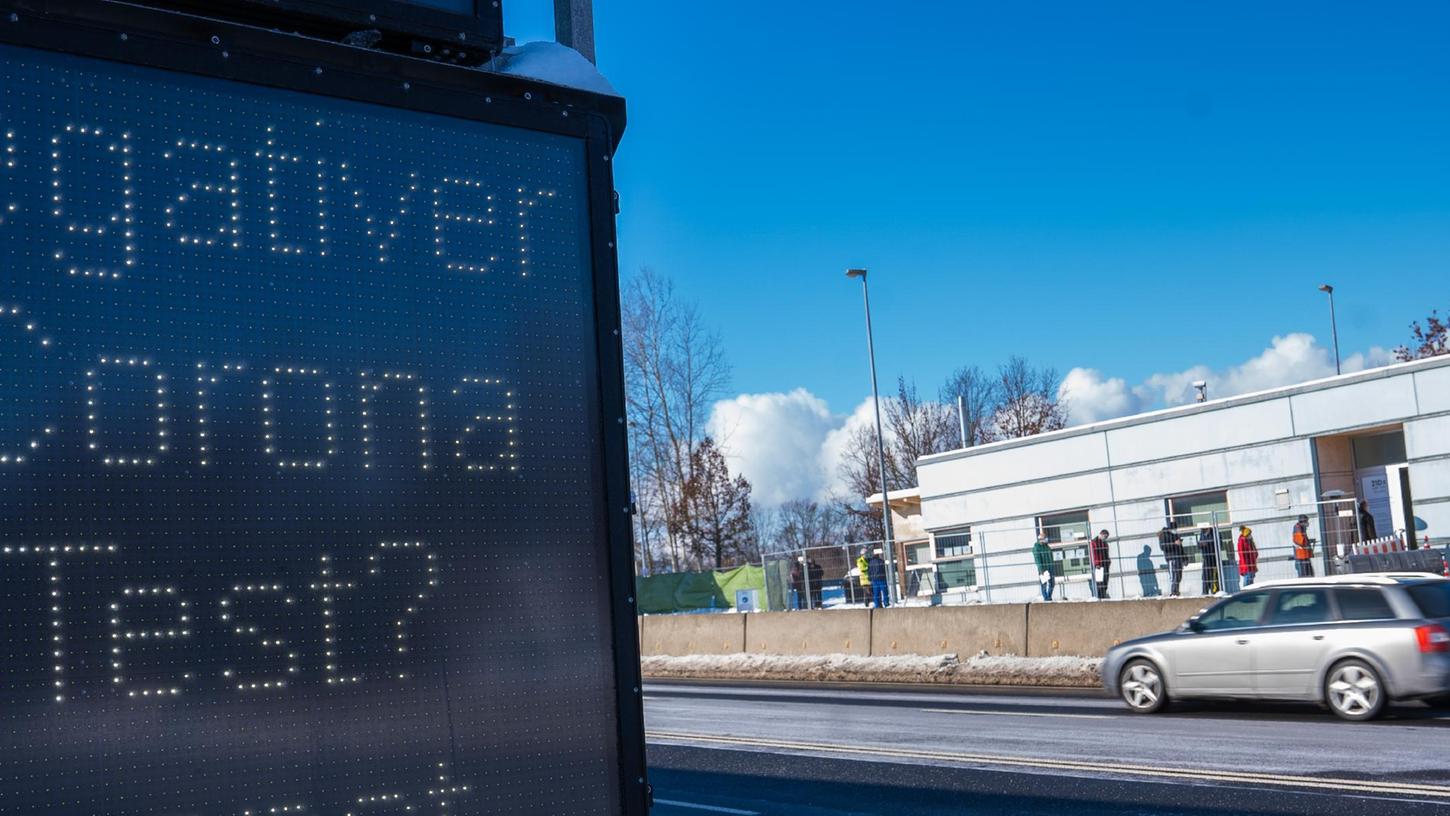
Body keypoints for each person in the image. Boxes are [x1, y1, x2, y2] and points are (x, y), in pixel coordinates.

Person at [1158, 526, 1185, 597]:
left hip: (1178, 558)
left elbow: (1180, 547)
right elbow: (1163, 547)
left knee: (1178, 576)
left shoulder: (1175, 535)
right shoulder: (1163, 535)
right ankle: (1173, 592)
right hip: (1171, 558)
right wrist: (1174, 543)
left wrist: (1184, 558)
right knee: (1174, 576)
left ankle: (1176, 591)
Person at [1032, 534, 1055, 601]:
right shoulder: (1036, 548)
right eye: (1045, 538)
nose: (1046, 539)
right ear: (1041, 539)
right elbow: (1037, 560)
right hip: (1043, 568)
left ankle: (1049, 596)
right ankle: (1046, 598)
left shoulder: (1047, 546)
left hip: (1050, 567)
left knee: (1052, 583)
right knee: (1044, 584)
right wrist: (1041, 570)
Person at [1090, 529, 1112, 600]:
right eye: (1105, 536)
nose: (1105, 538)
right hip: (1098, 565)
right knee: (1099, 582)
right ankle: (1099, 596)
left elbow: (1106, 553)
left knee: (1105, 580)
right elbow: (1094, 554)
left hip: (1105, 564)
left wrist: (1108, 561)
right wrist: (1097, 563)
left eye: (1106, 537)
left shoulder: (1104, 543)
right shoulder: (1094, 542)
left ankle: (1103, 594)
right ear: (1101, 534)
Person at [1198, 528, 1220, 595]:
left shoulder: (1215, 533)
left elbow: (1219, 545)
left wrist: (1209, 543)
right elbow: (1199, 545)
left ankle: (1215, 591)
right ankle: (1205, 592)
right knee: (1205, 577)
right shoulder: (1202, 534)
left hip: (1213, 560)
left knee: (1214, 577)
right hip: (1206, 559)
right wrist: (1201, 544)